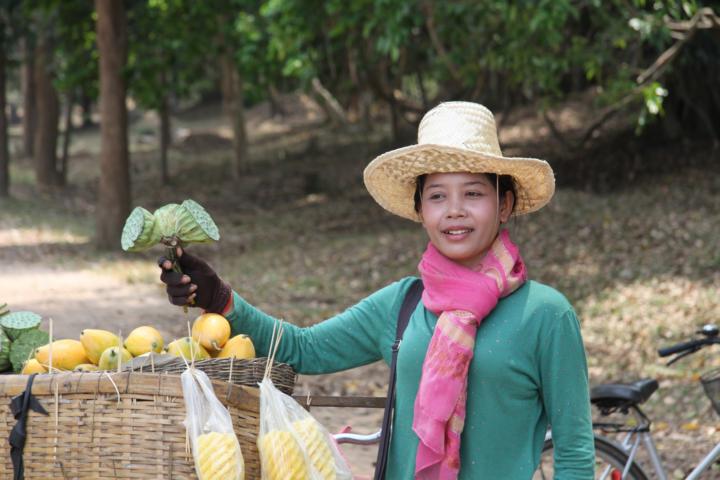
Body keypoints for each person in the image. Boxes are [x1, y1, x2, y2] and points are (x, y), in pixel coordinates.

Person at [159, 101, 595, 479]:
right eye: (438, 196)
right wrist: (219, 300)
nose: (455, 211)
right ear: (420, 209)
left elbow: (575, 453)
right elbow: (302, 349)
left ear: (504, 204)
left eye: (474, 193)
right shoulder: (403, 304)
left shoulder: (546, 315)